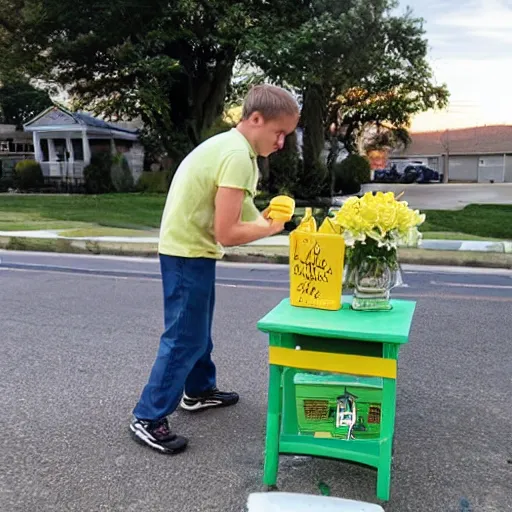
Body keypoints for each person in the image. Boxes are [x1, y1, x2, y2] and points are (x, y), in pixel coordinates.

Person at [130, 84, 300, 454]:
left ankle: (199, 391)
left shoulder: (236, 149)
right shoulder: (237, 156)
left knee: (196, 329)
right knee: (184, 337)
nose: (282, 142)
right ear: (255, 119)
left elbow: (245, 216)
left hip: (190, 249)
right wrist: (271, 228)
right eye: (279, 132)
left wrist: (277, 223)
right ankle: (147, 417)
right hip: (187, 253)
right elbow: (228, 232)